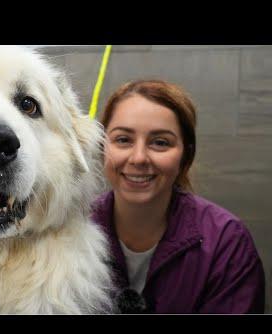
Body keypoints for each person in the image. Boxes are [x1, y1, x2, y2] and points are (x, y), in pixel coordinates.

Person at [92, 79, 265, 314]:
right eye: (123, 140)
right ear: (102, 148)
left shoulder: (227, 244)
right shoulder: (71, 229)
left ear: (186, 156)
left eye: (160, 142)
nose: (139, 158)